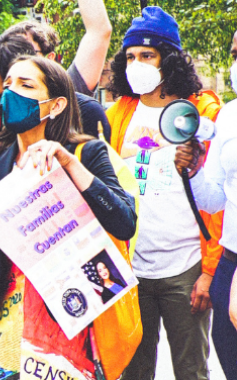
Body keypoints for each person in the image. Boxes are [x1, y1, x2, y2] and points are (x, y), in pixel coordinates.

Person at [0, 56, 137, 379]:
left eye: (26, 85)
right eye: (8, 85)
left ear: (56, 105)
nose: (11, 93)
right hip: (5, 322)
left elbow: (124, 221)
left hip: (69, 320)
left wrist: (71, 167)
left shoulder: (84, 153)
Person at [104, 7, 223, 379]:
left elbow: (220, 202)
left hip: (185, 268)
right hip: (130, 270)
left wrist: (209, 272)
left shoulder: (201, 112)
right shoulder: (116, 115)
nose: (136, 64)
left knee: (191, 370)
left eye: (147, 55)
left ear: (167, 59)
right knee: (133, 371)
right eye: (130, 57)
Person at [173, 29, 237, 380]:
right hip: (229, 263)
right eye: (235, 54)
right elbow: (213, 200)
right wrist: (193, 169)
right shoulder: (229, 116)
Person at [0, 0, 111, 98]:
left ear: (50, 58)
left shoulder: (68, 93)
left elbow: (99, 31)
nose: (17, 64)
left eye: (25, 54)